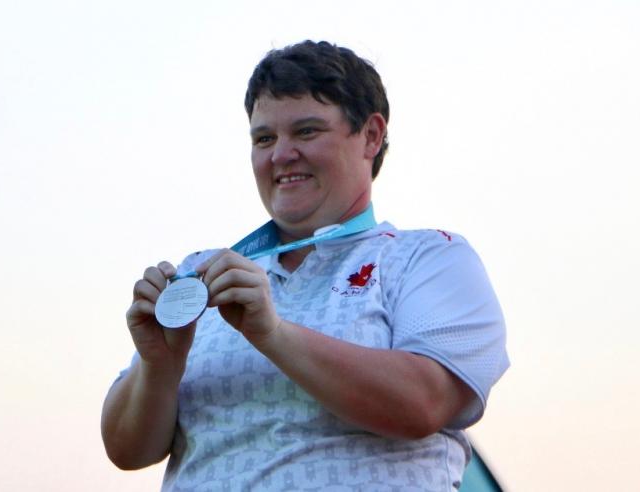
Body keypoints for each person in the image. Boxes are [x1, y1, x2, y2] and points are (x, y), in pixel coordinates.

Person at [101, 40, 509, 491]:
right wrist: (159, 364)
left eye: (307, 132)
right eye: (264, 138)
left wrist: (272, 334)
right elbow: (127, 451)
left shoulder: (427, 258)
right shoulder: (203, 272)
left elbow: (424, 403)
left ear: (371, 136)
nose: (281, 155)